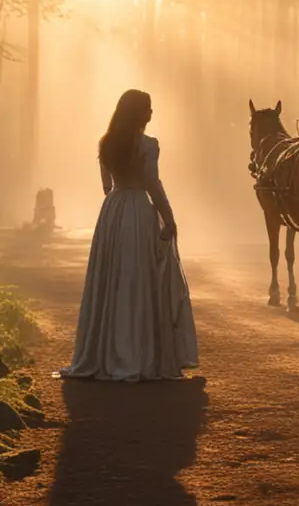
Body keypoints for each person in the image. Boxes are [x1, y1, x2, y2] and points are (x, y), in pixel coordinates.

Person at [60, 89, 199, 382]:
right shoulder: (147, 145)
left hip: (113, 212)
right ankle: (135, 353)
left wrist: (119, 197)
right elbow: (152, 183)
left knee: (112, 279)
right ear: (138, 112)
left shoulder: (107, 143)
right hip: (137, 210)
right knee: (138, 280)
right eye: (148, 109)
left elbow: (106, 185)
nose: (151, 114)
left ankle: (107, 352)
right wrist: (169, 216)